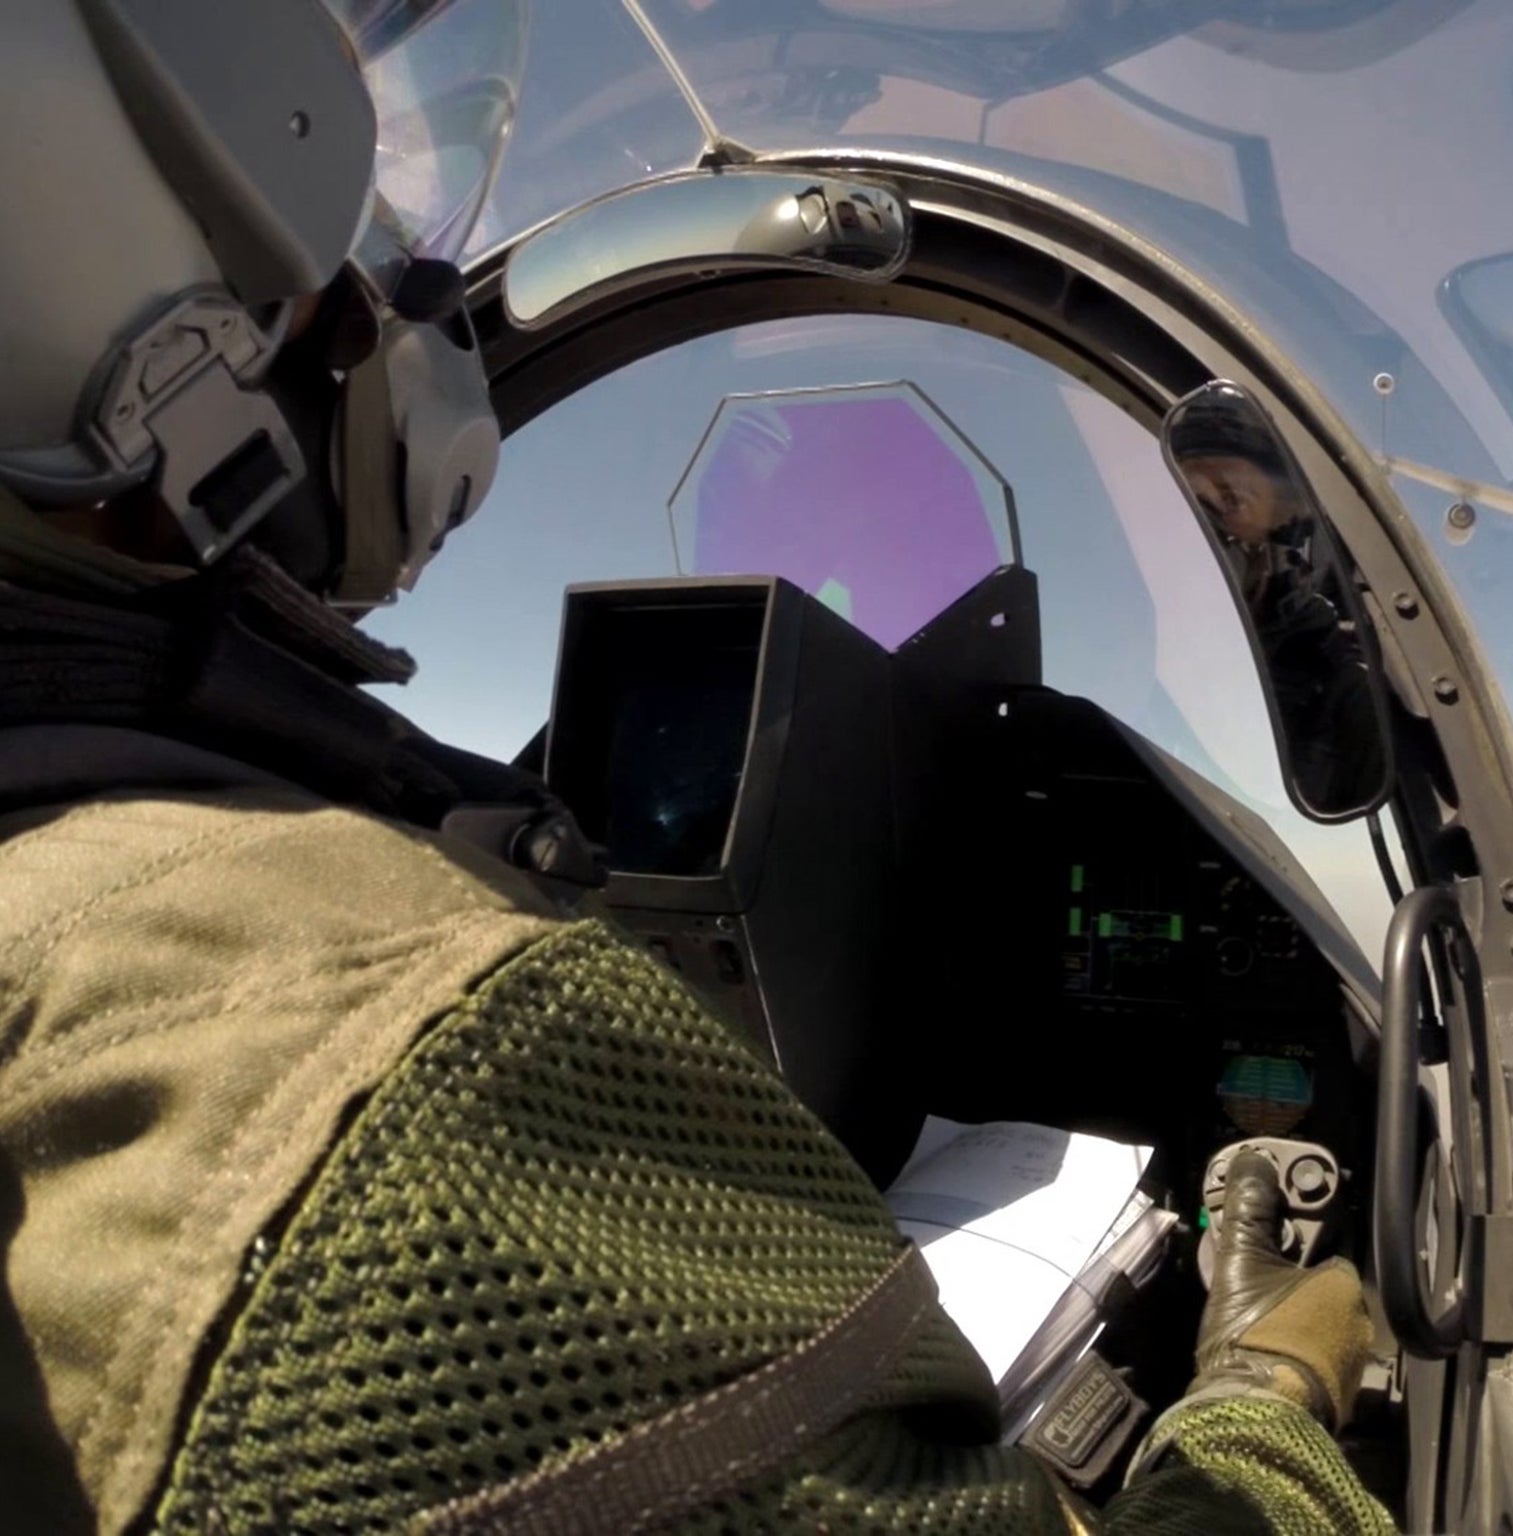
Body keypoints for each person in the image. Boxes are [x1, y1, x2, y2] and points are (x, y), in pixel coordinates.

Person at [0, 3, 1398, 1532]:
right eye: (347, 247)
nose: (391, 316)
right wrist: (1267, 1398)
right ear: (139, 328)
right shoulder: (368, 1060)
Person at [1171, 396, 1389, 813]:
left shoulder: (1342, 696)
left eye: (1229, 499)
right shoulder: (1132, 652)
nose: (1196, 527)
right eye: (1182, 498)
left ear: (1277, 544)